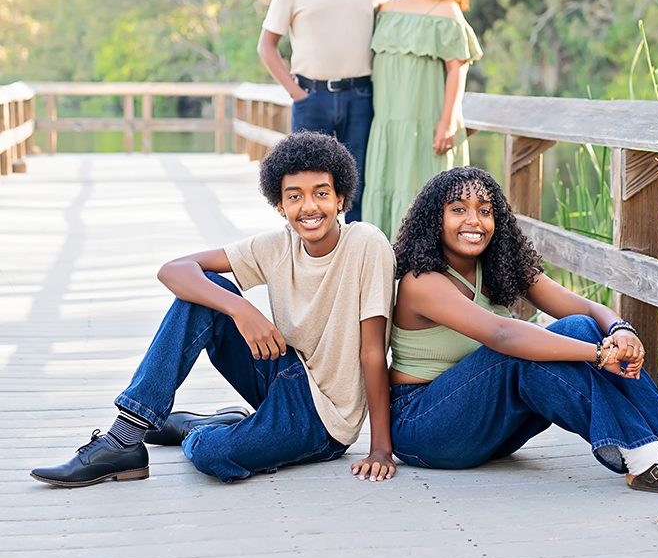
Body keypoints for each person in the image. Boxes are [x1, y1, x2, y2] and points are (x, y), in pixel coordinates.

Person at [31, 132, 396, 487]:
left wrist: (380, 448)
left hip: (323, 419)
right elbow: (174, 270)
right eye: (294, 196)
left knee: (211, 454)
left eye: (321, 193)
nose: (309, 206)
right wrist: (240, 308)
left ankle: (198, 428)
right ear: (280, 206)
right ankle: (124, 437)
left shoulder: (365, 244)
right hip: (282, 370)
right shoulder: (277, 246)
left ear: (341, 199)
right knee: (203, 291)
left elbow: (372, 352)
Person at [388, 166, 658, 496]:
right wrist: (599, 354)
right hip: (425, 427)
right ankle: (643, 458)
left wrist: (620, 330)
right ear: (434, 219)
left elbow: (586, 310)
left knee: (579, 326)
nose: (475, 221)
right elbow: (502, 335)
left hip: (487, 429)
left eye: (485, 211)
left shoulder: (498, 265)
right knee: (520, 354)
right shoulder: (423, 281)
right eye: (458, 210)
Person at [257, 0, 388, 222]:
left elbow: (387, 40)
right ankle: (309, 250)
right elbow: (266, 46)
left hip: (361, 96)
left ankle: (356, 249)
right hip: (312, 97)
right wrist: (296, 93)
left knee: (358, 185)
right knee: (307, 184)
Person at [362, 0, 482, 238]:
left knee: (425, 200)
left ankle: (428, 269)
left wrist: (448, 122)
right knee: (386, 198)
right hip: (387, 127)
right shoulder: (385, 10)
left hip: (427, 128)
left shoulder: (446, 11)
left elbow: (457, 69)